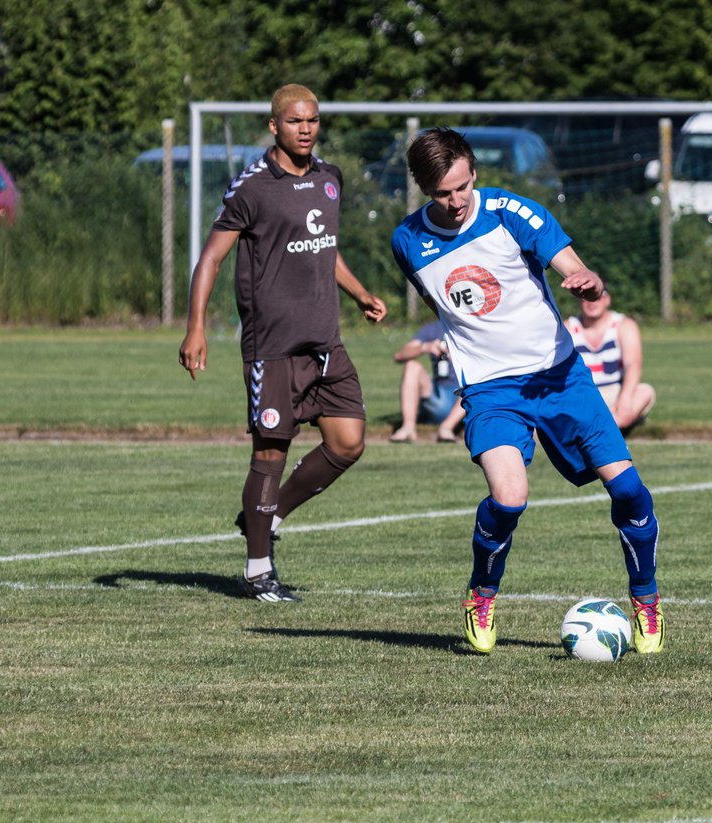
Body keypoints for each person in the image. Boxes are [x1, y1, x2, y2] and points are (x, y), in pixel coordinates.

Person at [390, 127, 665, 655]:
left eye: (463, 186)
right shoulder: (407, 240)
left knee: (629, 492)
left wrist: (584, 278)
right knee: (508, 497)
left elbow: (570, 262)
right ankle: (481, 594)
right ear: (423, 189)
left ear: (473, 171)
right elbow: (441, 305)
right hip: (492, 391)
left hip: (560, 377)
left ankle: (647, 600)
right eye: (442, 194)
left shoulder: (512, 212)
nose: (455, 202)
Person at [179, 83, 388, 602]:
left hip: (325, 344)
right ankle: (257, 571)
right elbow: (210, 259)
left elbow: (325, 248)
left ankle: (266, 518)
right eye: (296, 121)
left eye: (313, 120)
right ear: (274, 126)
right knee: (270, 453)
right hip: (272, 348)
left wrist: (360, 292)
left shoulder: (329, 178)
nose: (306, 129)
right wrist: (196, 327)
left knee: (348, 443)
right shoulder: (251, 187)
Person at [565, 290, 655, 433]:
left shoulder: (623, 325)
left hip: (615, 393)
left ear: (607, 299)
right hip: (583, 394)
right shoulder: (568, 328)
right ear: (579, 301)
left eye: (596, 296)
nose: (591, 302)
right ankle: (606, 431)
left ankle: (599, 430)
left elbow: (633, 365)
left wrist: (624, 400)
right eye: (585, 297)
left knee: (645, 392)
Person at [389, 319, 465, 443]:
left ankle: (446, 428)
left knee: (477, 380)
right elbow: (400, 355)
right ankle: (408, 428)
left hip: (468, 399)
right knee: (412, 366)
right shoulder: (434, 328)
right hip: (440, 396)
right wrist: (425, 347)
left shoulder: (471, 326)